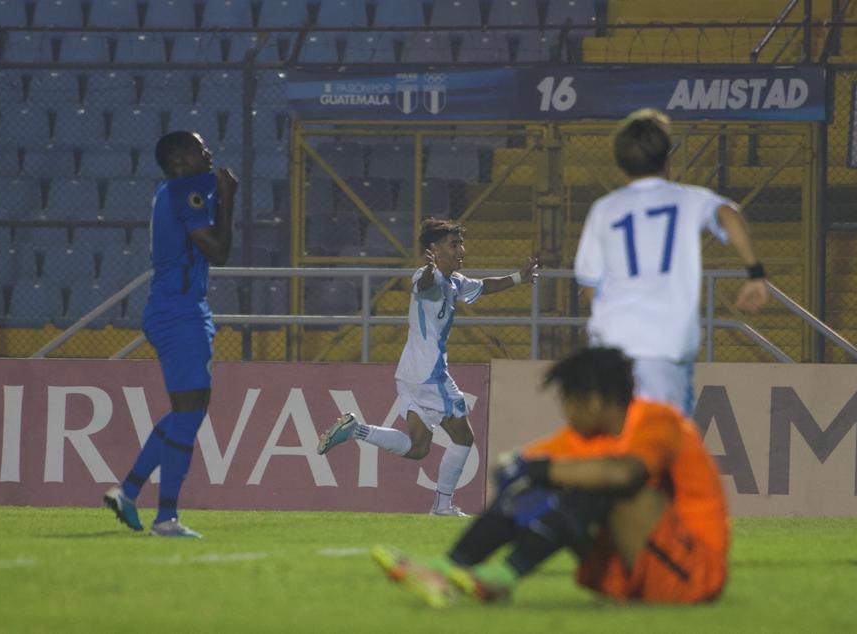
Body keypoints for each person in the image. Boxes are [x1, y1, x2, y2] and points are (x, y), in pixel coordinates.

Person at [371, 347, 729, 607]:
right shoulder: (588, 438)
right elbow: (520, 465)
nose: (565, 410)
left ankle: (504, 575)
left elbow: (624, 473)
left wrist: (541, 471)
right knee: (550, 481)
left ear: (592, 401)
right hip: (628, 576)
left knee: (595, 481)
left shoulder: (658, 422)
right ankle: (449, 567)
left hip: (691, 575)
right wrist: (520, 473)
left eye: (568, 400)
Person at [317, 217, 539, 516]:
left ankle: (356, 430)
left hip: (410, 372)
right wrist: (431, 269)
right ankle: (442, 506)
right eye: (454, 244)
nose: (461, 249)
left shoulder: (455, 282)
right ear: (434, 249)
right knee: (464, 437)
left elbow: (483, 286)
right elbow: (424, 286)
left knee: (419, 447)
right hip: (430, 373)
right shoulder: (427, 276)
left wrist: (517, 278)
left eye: (461, 243)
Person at [574, 108, 768, 416]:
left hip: (611, 349)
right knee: (663, 449)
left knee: (618, 448)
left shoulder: (604, 210)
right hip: (664, 348)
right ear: (667, 157)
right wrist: (755, 273)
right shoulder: (689, 199)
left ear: (620, 164)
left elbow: (588, 284)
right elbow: (729, 215)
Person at [103, 131, 238, 539]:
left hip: (180, 308)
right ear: (182, 158)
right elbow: (218, 251)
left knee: (187, 411)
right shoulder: (184, 192)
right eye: (200, 147)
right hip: (179, 312)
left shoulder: (175, 190)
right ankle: (166, 518)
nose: (209, 151)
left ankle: (128, 492)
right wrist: (228, 198)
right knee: (190, 413)